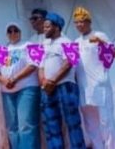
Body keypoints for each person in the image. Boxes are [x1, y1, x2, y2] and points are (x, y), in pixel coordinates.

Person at [73, 7, 115, 149]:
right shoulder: (75, 42)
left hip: (100, 85)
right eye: (77, 22)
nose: (79, 25)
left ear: (89, 22)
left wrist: (102, 42)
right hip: (83, 87)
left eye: (82, 21)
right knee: (90, 124)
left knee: (106, 121)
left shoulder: (100, 35)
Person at [39, 12, 85, 149]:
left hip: (66, 86)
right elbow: (40, 66)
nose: (44, 29)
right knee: (51, 125)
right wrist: (44, 82)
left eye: (47, 26)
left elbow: (69, 62)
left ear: (57, 27)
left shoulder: (69, 42)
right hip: (47, 89)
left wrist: (52, 80)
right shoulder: (44, 44)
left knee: (73, 124)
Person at [0, 21, 40, 149]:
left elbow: (33, 64)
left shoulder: (30, 45)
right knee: (12, 126)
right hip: (7, 91)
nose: (13, 33)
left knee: (26, 125)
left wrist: (15, 78)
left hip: (27, 88)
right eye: (9, 31)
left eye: (15, 30)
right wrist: (4, 80)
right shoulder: (2, 49)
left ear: (20, 32)